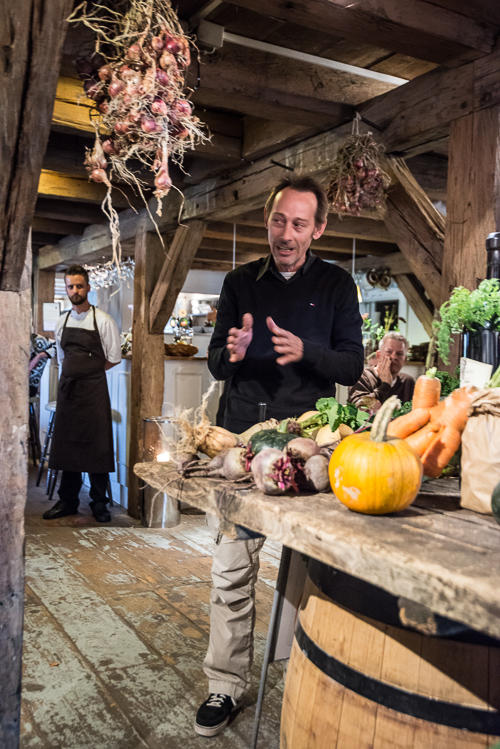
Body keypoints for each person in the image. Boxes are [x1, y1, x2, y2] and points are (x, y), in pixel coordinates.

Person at [194, 176, 364, 737]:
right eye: (277, 221)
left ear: (318, 229)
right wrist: (232, 351)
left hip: (306, 446)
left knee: (312, 572)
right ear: (267, 221)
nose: (285, 235)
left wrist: (306, 351)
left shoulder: (338, 284)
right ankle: (224, 685)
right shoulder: (240, 281)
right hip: (242, 442)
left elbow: (350, 365)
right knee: (231, 568)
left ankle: (309, 674)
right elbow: (218, 362)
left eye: (298, 224)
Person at [43, 265, 121, 524]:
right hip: (68, 392)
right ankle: (67, 501)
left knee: (97, 447)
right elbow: (62, 357)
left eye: (79, 286)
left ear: (88, 287)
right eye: (70, 286)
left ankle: (99, 503)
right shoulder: (62, 321)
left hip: (94, 392)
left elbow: (113, 358)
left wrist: (89, 373)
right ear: (66, 289)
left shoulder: (104, 320)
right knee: (67, 446)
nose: (74, 290)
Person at [347, 332, 415, 410]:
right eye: (389, 352)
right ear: (378, 355)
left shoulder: (408, 381)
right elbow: (359, 409)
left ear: (405, 360)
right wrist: (385, 385)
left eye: (399, 354)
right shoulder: (361, 376)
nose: (394, 357)